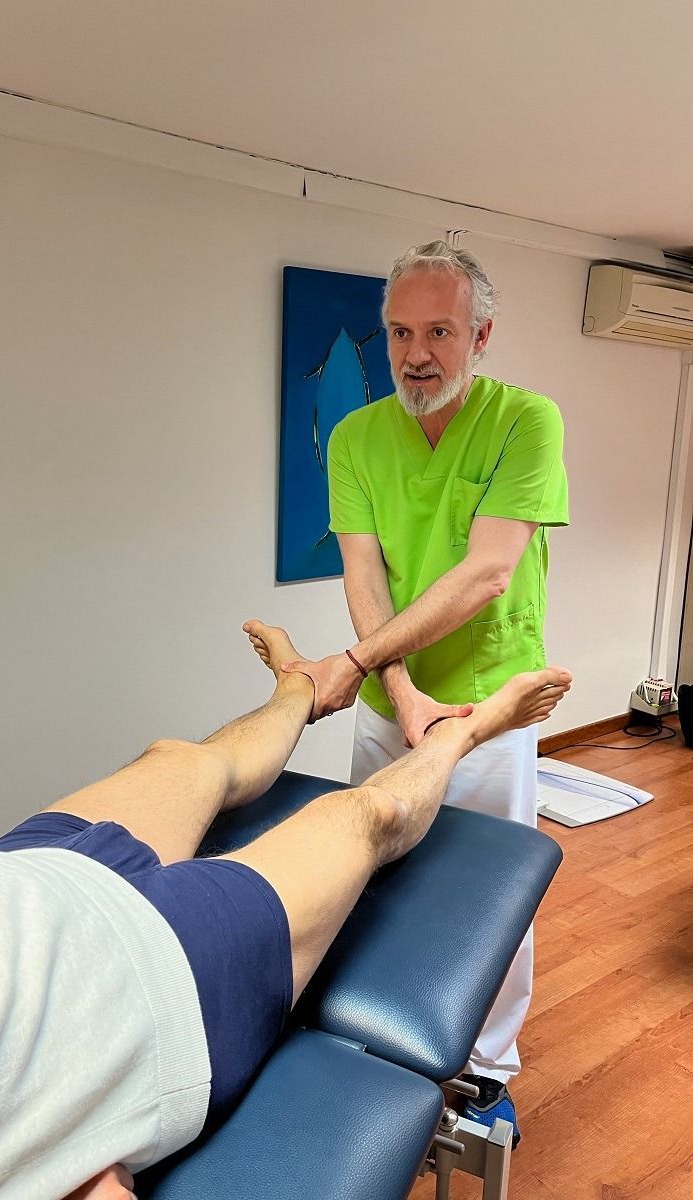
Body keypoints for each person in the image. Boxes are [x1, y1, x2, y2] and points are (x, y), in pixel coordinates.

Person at [0, 622, 570, 1199]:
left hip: (1, 883)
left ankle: (296, 688)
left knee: (182, 759)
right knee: (364, 819)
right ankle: (466, 732)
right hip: (139, 979)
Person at [282, 240, 569, 1137]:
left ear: (480, 335)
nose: (417, 354)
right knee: (379, 872)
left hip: (490, 704)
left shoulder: (527, 421)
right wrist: (397, 692)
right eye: (402, 332)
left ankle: (484, 1073)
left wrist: (365, 665)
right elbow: (365, 579)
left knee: (492, 895)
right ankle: (378, 1031)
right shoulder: (360, 437)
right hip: (390, 707)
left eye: (440, 331)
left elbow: (487, 572)